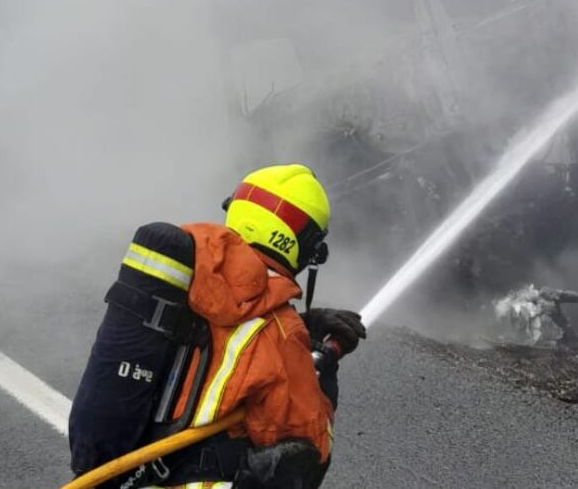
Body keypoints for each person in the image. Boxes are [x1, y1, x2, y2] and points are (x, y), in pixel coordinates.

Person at [73, 164, 367, 489]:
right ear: (304, 244)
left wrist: (303, 327)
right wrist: (324, 376)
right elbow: (307, 454)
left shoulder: (186, 277)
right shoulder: (278, 331)